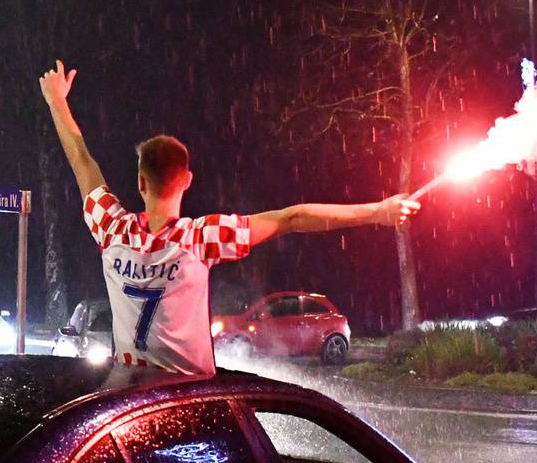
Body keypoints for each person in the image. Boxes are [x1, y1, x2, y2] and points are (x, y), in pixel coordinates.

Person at [39, 59, 420, 375]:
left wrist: (57, 101)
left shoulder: (111, 228)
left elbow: (81, 159)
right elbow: (293, 217)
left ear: (140, 182)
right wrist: (377, 211)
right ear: (187, 180)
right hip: (183, 405)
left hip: (126, 406)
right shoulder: (200, 238)